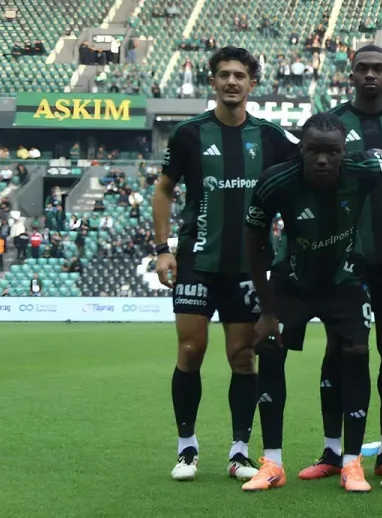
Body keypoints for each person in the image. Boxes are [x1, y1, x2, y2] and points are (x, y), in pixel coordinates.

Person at [241, 112, 382, 492]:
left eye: (332, 152)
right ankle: (272, 463)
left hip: (344, 280)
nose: (323, 159)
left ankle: (351, 464)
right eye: (314, 151)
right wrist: (266, 311)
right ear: (301, 149)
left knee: (357, 352)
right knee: (270, 350)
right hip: (293, 281)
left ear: (343, 152)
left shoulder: (361, 169)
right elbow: (253, 243)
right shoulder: (275, 181)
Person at [153, 46, 299, 483]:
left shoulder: (270, 137)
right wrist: (162, 248)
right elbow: (164, 190)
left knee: (242, 358)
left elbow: (309, 167)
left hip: (247, 269)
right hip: (197, 262)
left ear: (252, 83)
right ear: (212, 81)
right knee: (190, 351)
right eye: (224, 74)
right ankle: (187, 448)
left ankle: (239, 451)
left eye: (239, 75)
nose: (231, 81)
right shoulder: (189, 134)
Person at [297, 44, 382, 482]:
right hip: (346, 261)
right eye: (363, 68)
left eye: (379, 69)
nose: (371, 75)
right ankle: (332, 450)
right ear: (350, 74)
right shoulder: (332, 125)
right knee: (339, 351)